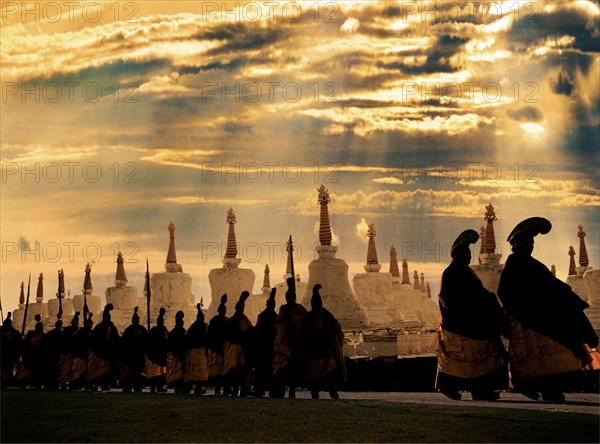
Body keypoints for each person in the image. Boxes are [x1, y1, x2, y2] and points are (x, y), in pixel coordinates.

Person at [498, 217, 599, 402]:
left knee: (555, 355)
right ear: (518, 244)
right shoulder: (514, 265)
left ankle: (548, 389)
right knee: (540, 356)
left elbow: (550, 286)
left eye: (532, 242)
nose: (530, 245)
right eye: (528, 242)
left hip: (545, 315)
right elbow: (506, 293)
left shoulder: (531, 264)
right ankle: (535, 386)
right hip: (528, 318)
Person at [435, 229, 508, 401]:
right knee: (461, 361)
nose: (468, 256)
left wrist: (488, 299)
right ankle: (451, 386)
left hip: (473, 321)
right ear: (456, 255)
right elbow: (448, 299)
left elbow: (477, 293)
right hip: (461, 323)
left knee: (482, 359)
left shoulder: (466, 271)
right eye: (465, 252)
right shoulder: (452, 272)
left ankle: (481, 390)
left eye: (469, 252)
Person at [299, 284, 345, 399]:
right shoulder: (309, 317)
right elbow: (302, 332)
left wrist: (329, 332)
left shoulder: (325, 314)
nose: (316, 304)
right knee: (313, 372)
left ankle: (332, 390)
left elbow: (335, 327)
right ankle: (316, 392)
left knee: (330, 369)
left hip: (325, 348)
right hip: (313, 349)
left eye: (317, 301)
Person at [272, 277, 308, 398]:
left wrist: (294, 319)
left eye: (292, 296)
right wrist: (287, 319)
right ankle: (280, 389)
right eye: (288, 296)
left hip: (296, 340)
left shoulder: (299, 309)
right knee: (283, 366)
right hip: (284, 341)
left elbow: (306, 320)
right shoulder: (284, 308)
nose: (290, 298)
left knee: (294, 367)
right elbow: (278, 322)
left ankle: (292, 390)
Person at [223, 291, 254, 397]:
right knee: (239, 369)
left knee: (232, 369)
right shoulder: (241, 319)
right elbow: (245, 332)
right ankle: (241, 388)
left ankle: (230, 388)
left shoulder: (232, 319)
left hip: (231, 347)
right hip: (239, 348)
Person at [253, 288, 278, 397]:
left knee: (266, 369)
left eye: (272, 303)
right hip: (266, 346)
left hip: (267, 346)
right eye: (270, 303)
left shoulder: (266, 316)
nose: (271, 305)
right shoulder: (268, 316)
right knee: (266, 369)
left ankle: (263, 389)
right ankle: (264, 389)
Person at [89, 304, 120, 391]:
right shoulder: (99, 327)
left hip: (110, 351)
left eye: (108, 316)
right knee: (100, 370)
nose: (108, 318)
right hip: (100, 351)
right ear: (103, 317)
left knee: (109, 370)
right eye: (106, 316)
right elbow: (95, 339)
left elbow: (116, 338)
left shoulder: (113, 327)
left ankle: (107, 384)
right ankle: (98, 383)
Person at [119, 307, 148, 393]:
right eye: (134, 319)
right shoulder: (128, 330)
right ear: (132, 320)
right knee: (129, 372)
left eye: (137, 319)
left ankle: (137, 386)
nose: (136, 321)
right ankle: (128, 386)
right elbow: (124, 341)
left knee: (138, 372)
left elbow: (147, 339)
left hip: (139, 354)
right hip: (130, 354)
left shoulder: (142, 329)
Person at [185, 302, 209, 395]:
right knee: (199, 370)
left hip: (193, 351)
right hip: (201, 351)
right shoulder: (204, 326)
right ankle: (198, 387)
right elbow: (207, 338)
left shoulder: (193, 326)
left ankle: (193, 386)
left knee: (194, 370)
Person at [16, 314, 45, 389]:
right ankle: (26, 383)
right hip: (31, 354)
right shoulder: (30, 335)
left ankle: (37, 384)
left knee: (38, 371)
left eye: (41, 327)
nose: (42, 329)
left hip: (39, 354)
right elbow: (26, 344)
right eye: (40, 327)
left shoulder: (43, 336)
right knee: (29, 371)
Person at [207, 295, 229, 396]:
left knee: (222, 370)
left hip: (222, 348)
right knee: (217, 371)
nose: (223, 311)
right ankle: (218, 389)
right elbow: (210, 335)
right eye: (222, 309)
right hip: (217, 348)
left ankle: (223, 389)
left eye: (224, 310)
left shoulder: (225, 321)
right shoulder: (217, 321)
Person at [146, 307, 168, 393]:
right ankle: (155, 386)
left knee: (159, 372)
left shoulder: (161, 329)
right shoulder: (157, 330)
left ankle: (158, 386)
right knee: (157, 372)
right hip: (156, 353)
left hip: (159, 353)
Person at [58, 312, 80, 390]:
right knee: (66, 370)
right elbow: (64, 340)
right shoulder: (67, 330)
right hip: (68, 352)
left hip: (75, 352)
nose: (75, 323)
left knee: (74, 370)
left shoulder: (79, 331)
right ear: (72, 322)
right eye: (74, 322)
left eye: (77, 322)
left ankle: (73, 383)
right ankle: (63, 383)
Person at [166, 310, 187, 394]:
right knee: (179, 373)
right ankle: (179, 387)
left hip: (176, 354)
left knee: (177, 373)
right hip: (178, 353)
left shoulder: (174, 332)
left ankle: (178, 387)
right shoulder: (180, 332)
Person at [1, 313, 22, 389]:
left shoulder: (14, 333)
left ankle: (8, 381)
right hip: (6, 354)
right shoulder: (14, 332)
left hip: (10, 354)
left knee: (9, 369)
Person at [43, 318, 65, 389]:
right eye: (59, 324)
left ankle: (54, 383)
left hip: (55, 353)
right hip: (53, 353)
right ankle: (52, 383)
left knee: (55, 369)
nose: (60, 326)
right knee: (53, 369)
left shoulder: (57, 333)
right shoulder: (54, 333)